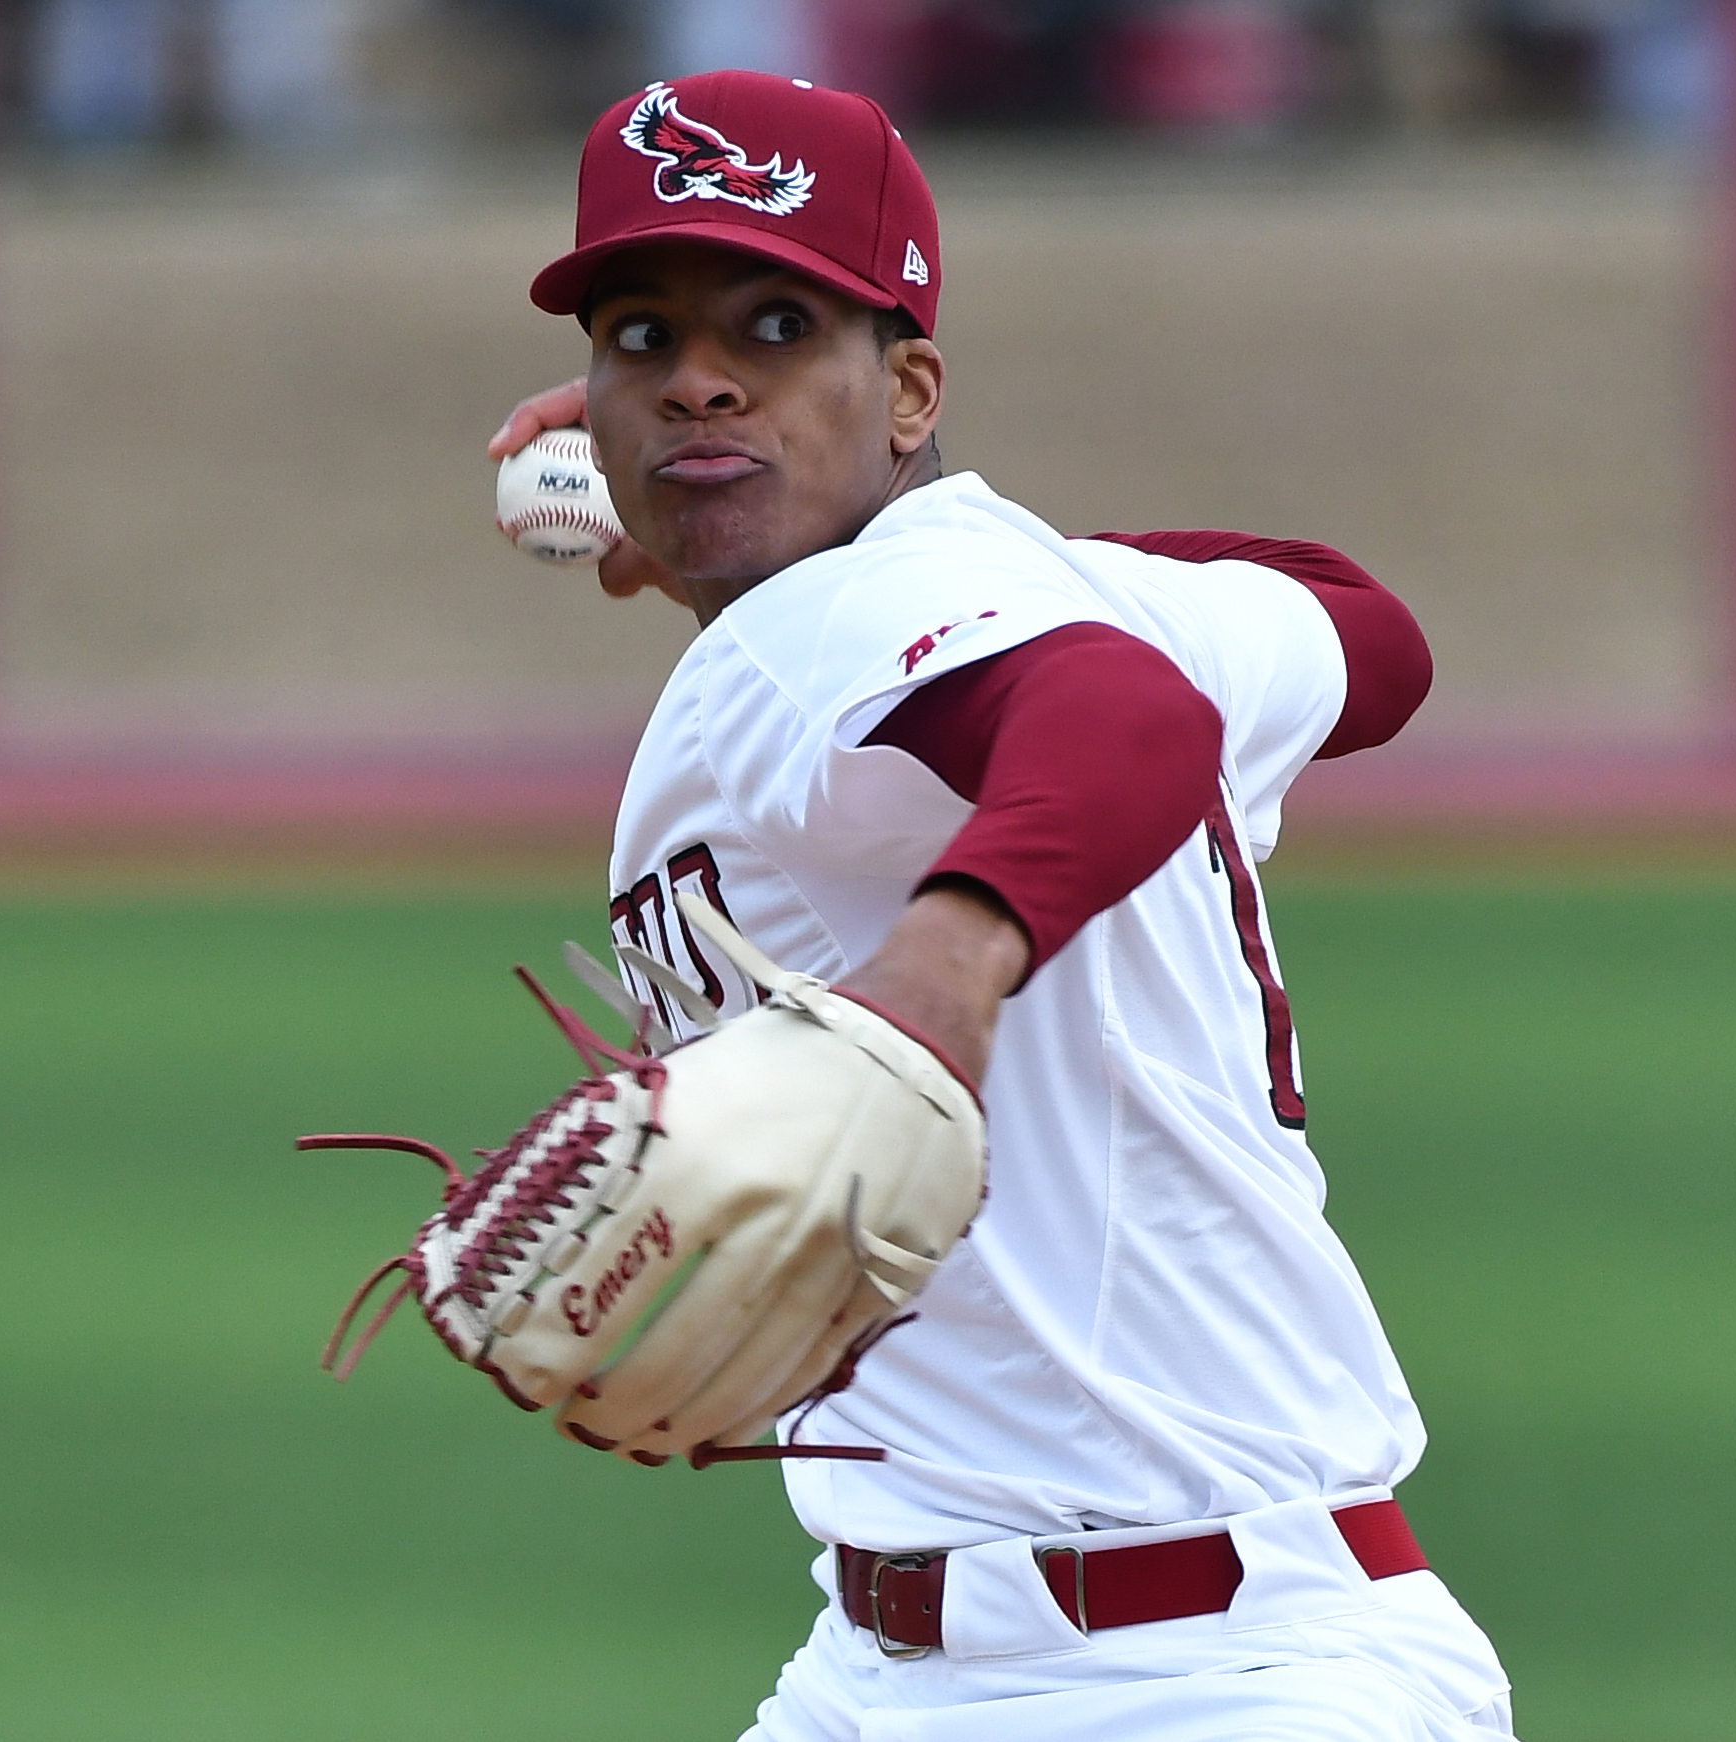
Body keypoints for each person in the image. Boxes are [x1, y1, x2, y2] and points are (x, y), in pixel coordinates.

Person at [482, 69, 1516, 1742]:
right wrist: (883, 531)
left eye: (771, 326)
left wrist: (947, 958)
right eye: (638, 339)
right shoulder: (989, 607)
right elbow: (1368, 632)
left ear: (908, 390)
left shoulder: (881, 633)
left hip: (1209, 1687)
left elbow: (1127, 727)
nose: (698, 383)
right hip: (886, 1668)